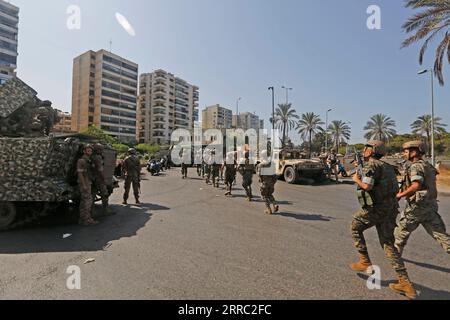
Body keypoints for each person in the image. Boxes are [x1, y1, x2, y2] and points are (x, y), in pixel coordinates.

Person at [350, 140, 416, 299]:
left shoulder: (372, 165)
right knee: (388, 244)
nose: (364, 150)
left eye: (366, 148)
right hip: (390, 210)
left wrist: (356, 178)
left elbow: (368, 186)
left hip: (376, 209)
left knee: (354, 226)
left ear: (371, 151)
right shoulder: (387, 167)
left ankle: (364, 260)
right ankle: (405, 283)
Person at [394, 141, 450, 256]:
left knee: (400, 233)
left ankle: (395, 257)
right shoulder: (428, 165)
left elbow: (416, 185)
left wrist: (400, 195)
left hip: (416, 208)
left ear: (414, 152)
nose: (404, 154)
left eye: (405, 151)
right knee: (442, 236)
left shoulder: (416, 166)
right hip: (430, 206)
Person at [77, 145, 99, 226]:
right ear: (84, 151)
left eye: (91, 150)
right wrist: (84, 185)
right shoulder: (81, 160)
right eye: (88, 150)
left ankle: (82, 219)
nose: (90, 152)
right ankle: (87, 219)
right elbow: (80, 174)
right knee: (87, 201)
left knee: (84, 201)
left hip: (88, 182)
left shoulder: (89, 160)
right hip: (85, 183)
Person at [92, 143, 114, 216]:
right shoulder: (98, 157)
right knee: (104, 194)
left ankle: (92, 211)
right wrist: (103, 179)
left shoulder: (91, 156)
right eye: (101, 149)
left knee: (92, 195)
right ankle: (106, 210)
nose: (102, 151)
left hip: (92, 178)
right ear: (98, 150)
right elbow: (100, 170)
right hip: (99, 178)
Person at [257, 150, 279, 215]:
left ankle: (268, 209)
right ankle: (275, 204)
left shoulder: (261, 165)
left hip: (265, 183)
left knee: (264, 196)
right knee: (269, 195)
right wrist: (273, 182)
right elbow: (275, 174)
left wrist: (261, 180)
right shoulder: (272, 164)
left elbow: (259, 175)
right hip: (271, 182)